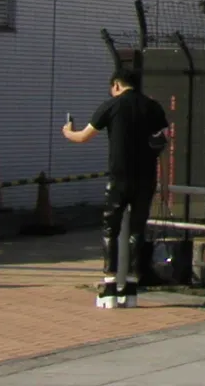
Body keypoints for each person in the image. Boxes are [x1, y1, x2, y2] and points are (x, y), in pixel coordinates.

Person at [62, 69, 169, 308]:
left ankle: (109, 287)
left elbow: (82, 137)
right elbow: (163, 144)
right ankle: (130, 288)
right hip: (146, 178)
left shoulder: (111, 106)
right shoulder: (153, 107)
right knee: (137, 230)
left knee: (110, 228)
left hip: (119, 178)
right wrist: (164, 183)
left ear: (117, 85)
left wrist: (67, 130)